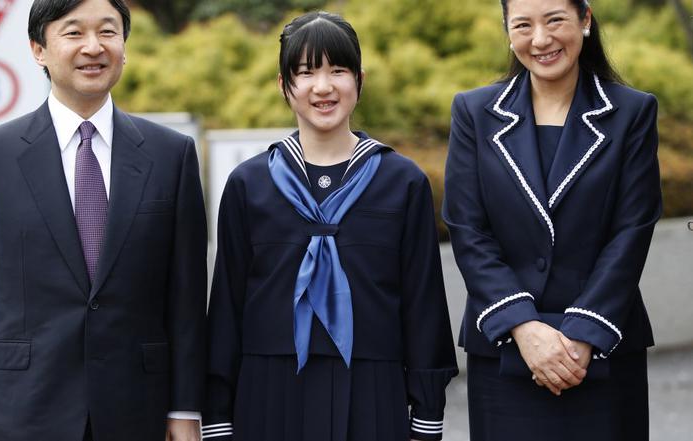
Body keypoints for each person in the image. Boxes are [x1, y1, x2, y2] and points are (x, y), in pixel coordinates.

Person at [0, 1, 207, 440]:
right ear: (38, 49)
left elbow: (187, 300)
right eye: (74, 32)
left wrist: (185, 408)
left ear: (124, 46)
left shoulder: (170, 156)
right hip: (19, 412)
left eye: (108, 31)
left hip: (138, 410)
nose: (93, 47)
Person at [202, 11, 458, 441]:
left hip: (373, 389)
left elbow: (424, 304)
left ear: (359, 80)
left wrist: (426, 416)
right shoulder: (250, 184)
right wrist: (217, 418)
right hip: (268, 391)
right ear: (284, 85)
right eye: (306, 72)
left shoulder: (402, 182)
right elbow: (227, 304)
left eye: (338, 70)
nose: (323, 87)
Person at [442, 0, 661, 440]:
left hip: (602, 351)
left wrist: (583, 333)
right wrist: (523, 327)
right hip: (506, 352)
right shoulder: (475, 112)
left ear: (585, 19)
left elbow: (631, 232)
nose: (540, 39)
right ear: (508, 32)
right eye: (523, 25)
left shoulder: (631, 112)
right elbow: (468, 230)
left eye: (555, 20)